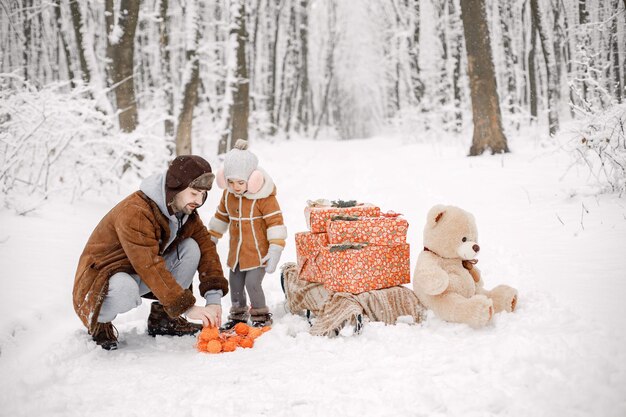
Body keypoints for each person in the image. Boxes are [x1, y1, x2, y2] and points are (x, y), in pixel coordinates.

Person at [72, 155, 228, 350]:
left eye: (203, 194)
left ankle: (164, 318)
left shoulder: (184, 212)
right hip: (101, 281)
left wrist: (214, 300)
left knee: (191, 248)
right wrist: (186, 306)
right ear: (175, 187)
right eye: (194, 193)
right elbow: (149, 264)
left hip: (139, 274)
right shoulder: (136, 211)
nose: (199, 200)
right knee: (124, 289)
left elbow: (207, 250)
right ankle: (99, 322)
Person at [208, 139, 287, 329]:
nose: (235, 187)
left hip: (259, 253)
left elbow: (275, 223)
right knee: (234, 285)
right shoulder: (228, 195)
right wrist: (211, 238)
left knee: (252, 283)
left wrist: (275, 249)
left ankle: (261, 316)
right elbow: (221, 217)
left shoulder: (265, 199)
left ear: (253, 180)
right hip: (237, 254)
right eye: (230, 181)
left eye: (241, 182)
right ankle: (238, 315)